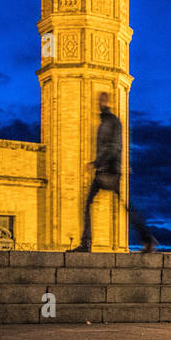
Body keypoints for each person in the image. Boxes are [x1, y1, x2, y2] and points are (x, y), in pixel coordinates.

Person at [73, 91, 122, 253]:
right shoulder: (106, 121)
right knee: (90, 203)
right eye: (100, 100)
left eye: (103, 100)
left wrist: (98, 163)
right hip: (107, 169)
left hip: (109, 170)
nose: (100, 102)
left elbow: (113, 146)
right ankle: (86, 243)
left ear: (108, 102)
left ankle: (86, 244)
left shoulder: (111, 121)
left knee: (125, 205)